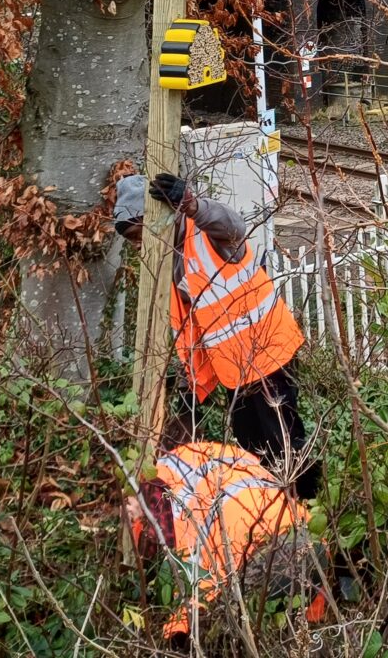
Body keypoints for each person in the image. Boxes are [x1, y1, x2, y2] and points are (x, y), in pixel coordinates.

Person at [114, 172, 320, 499]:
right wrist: (189, 389)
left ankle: (308, 507)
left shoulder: (207, 233)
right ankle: (272, 510)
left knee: (284, 443)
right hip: (232, 373)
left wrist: (192, 204)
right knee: (251, 448)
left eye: (141, 234)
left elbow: (233, 224)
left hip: (267, 355)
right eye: (134, 240)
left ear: (156, 218)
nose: (141, 245)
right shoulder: (168, 262)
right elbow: (193, 330)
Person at [125, 441, 328, 645]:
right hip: (309, 536)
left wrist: (175, 631)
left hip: (260, 555)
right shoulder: (196, 460)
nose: (129, 514)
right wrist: (315, 622)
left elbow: (191, 574)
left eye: (127, 504)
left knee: (219, 631)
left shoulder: (159, 491)